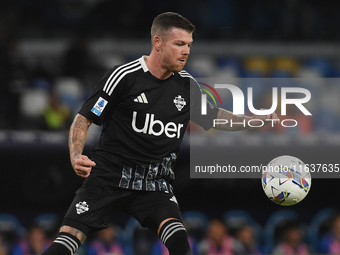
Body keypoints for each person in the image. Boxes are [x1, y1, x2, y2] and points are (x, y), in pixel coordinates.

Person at [41, 12, 278, 255]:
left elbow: (214, 117)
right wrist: (75, 154)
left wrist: (252, 121)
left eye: (189, 45)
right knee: (66, 242)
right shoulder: (123, 76)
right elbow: (84, 118)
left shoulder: (187, 86)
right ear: (157, 43)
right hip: (108, 178)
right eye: (179, 44)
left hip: (153, 184)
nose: (186, 51)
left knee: (180, 244)